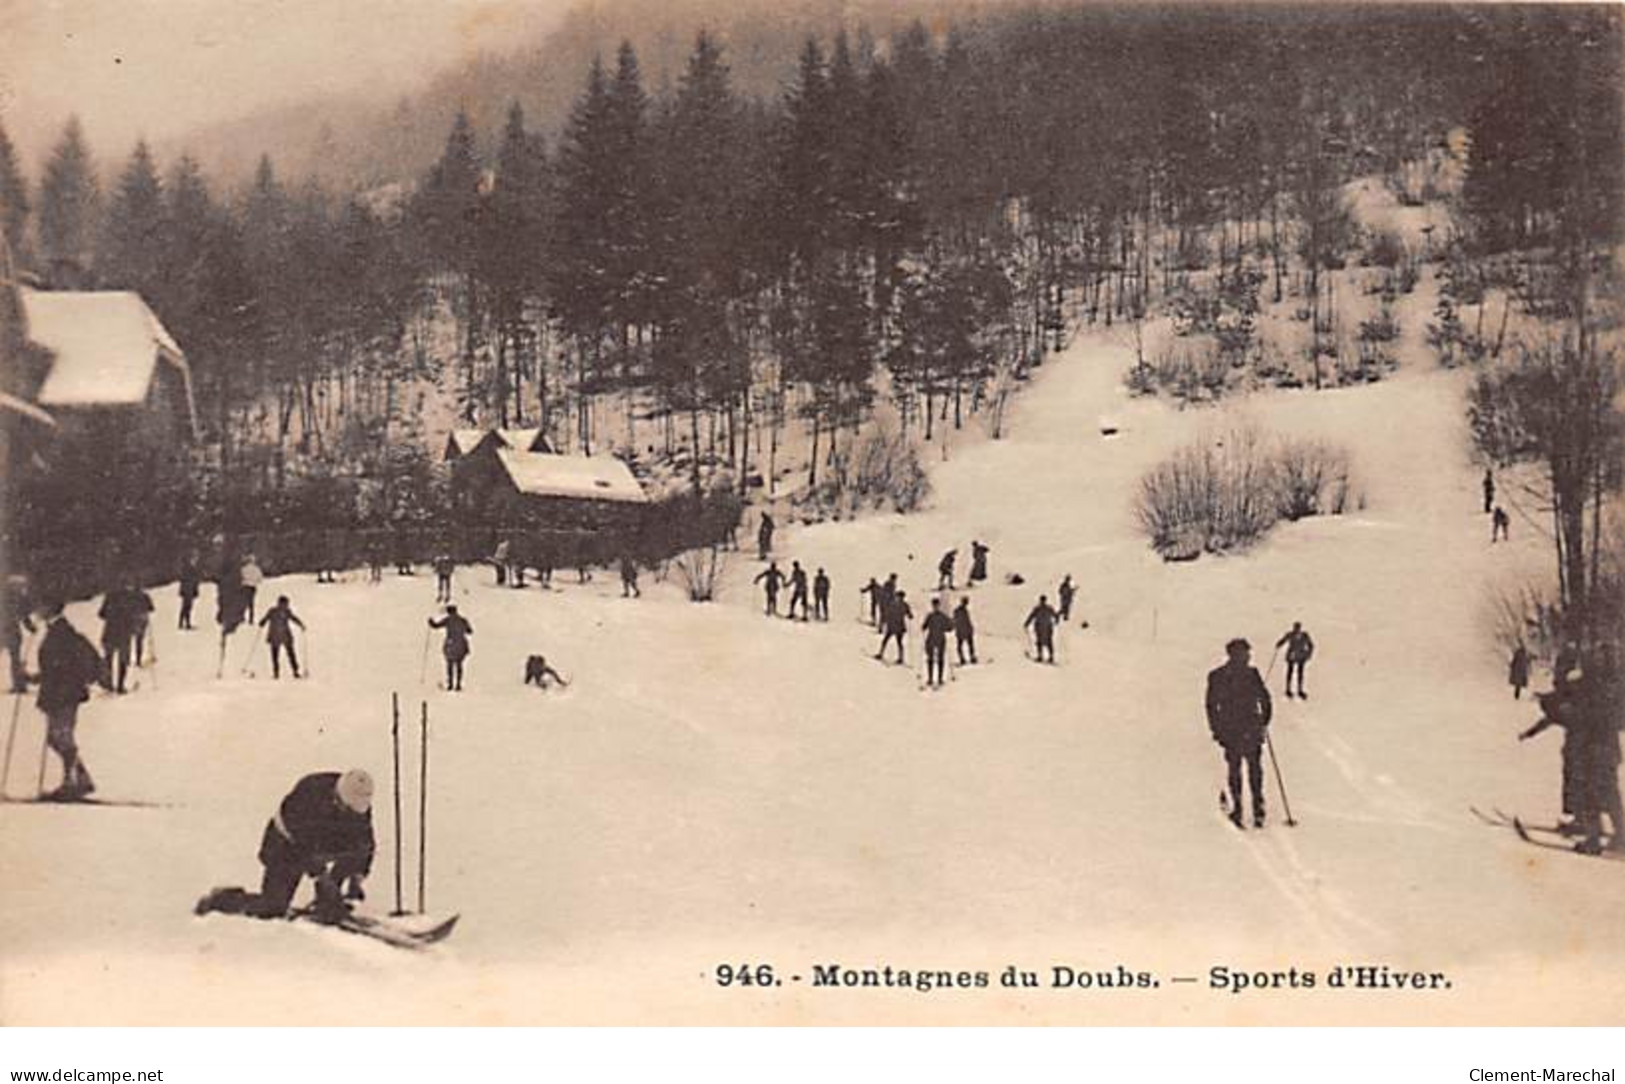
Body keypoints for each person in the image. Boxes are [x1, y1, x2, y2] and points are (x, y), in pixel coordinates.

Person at [195, 769, 376, 922]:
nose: (351, 813)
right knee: (273, 907)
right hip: (285, 845)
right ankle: (223, 900)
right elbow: (303, 845)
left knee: (355, 850)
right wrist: (321, 877)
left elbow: (365, 842)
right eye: (347, 809)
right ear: (337, 797)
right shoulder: (309, 794)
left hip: (323, 841)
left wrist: (357, 877)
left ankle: (327, 902)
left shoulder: (358, 803)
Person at [36, 603, 109, 800]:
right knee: (58, 737)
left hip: (63, 694)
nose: (37, 612)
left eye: (40, 609)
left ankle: (72, 782)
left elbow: (61, 664)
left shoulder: (61, 633)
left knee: (60, 737)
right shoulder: (60, 631)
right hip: (62, 693)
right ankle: (81, 779)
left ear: (48, 611)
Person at [1206, 637, 1274, 828]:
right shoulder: (1223, 676)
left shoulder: (1226, 675)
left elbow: (1265, 699)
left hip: (1239, 730)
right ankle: (1248, 808)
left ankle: (1250, 808)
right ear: (1234, 654)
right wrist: (1264, 720)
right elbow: (1212, 707)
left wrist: (1264, 720)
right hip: (1239, 730)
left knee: (1246, 769)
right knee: (1245, 769)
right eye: (1244, 653)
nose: (1247, 657)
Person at [98, 582, 142, 694]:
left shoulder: (110, 596)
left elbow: (101, 614)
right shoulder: (130, 598)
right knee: (123, 660)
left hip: (110, 631)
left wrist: (111, 616)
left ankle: (109, 684)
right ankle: (120, 686)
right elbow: (134, 614)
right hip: (124, 632)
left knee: (109, 659)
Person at [258, 596, 306, 680]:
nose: (286, 605)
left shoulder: (285, 612)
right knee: (277, 655)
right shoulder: (273, 611)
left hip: (283, 636)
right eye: (285, 604)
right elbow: (265, 618)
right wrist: (262, 622)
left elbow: (293, 618)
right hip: (277, 636)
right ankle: (277, 672)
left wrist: (300, 624)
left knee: (290, 654)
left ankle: (294, 671)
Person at [428, 605, 473, 691]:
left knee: (450, 665)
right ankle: (458, 684)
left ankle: (450, 684)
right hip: (461, 645)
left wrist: (431, 622)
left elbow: (436, 626)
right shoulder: (462, 620)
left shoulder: (448, 620)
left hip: (451, 644)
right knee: (459, 665)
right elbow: (470, 631)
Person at [1, 576, 34, 692]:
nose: (23, 590)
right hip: (9, 631)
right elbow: (24, 615)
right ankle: (19, 684)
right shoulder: (15, 599)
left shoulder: (13, 599)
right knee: (15, 658)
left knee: (15, 658)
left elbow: (23, 615)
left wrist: (30, 627)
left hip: (10, 631)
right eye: (21, 587)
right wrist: (30, 627)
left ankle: (19, 683)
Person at [1275, 622, 1315, 699]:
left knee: (1300, 673)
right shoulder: (1291, 635)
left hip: (1300, 656)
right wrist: (1279, 644)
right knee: (1290, 672)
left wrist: (1308, 654)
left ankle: (1299, 689)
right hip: (1292, 656)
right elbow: (1283, 640)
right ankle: (1288, 689)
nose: (1296, 630)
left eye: (1297, 628)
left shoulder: (1304, 635)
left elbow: (1311, 645)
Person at [922, 598, 954, 687]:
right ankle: (930, 678)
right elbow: (924, 626)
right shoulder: (930, 616)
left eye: (936, 605)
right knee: (930, 659)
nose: (935, 607)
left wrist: (949, 626)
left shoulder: (942, 616)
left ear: (938, 606)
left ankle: (940, 678)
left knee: (940, 659)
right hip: (931, 638)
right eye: (934, 605)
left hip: (940, 638)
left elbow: (950, 628)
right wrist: (924, 627)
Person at [877, 590, 913, 665]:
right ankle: (881, 653)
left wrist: (910, 615)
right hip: (895, 625)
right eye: (898, 597)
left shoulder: (900, 605)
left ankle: (900, 657)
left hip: (897, 626)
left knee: (897, 642)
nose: (899, 598)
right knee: (887, 640)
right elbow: (888, 613)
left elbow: (909, 614)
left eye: (900, 597)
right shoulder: (899, 604)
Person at [1024, 595, 1059, 663]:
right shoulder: (1045, 608)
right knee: (1044, 641)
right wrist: (1027, 623)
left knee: (1046, 642)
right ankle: (1044, 656)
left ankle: (1045, 656)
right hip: (1044, 627)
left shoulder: (1040, 608)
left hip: (1043, 627)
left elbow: (1032, 616)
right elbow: (1055, 615)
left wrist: (1027, 623)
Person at [129, 584, 155, 667]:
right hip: (142, 618)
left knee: (129, 639)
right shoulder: (145, 596)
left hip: (131, 618)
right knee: (139, 640)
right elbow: (151, 608)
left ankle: (127, 658)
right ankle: (138, 659)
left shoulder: (130, 597)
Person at [178, 557, 201, 630]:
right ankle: (184, 623)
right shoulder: (188, 569)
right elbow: (186, 580)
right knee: (186, 607)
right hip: (188, 590)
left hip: (189, 590)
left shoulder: (192, 569)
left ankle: (184, 623)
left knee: (187, 607)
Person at [240, 554, 265, 623]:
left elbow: (240, 577)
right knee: (251, 603)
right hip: (252, 587)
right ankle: (251, 619)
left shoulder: (243, 569)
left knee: (243, 602)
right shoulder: (257, 569)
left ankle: (242, 617)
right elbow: (260, 579)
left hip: (245, 586)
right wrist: (255, 581)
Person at [953, 598, 977, 665]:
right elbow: (958, 621)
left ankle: (967, 658)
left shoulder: (961, 611)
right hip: (963, 631)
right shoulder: (959, 611)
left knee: (968, 645)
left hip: (964, 631)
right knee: (963, 645)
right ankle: (964, 658)